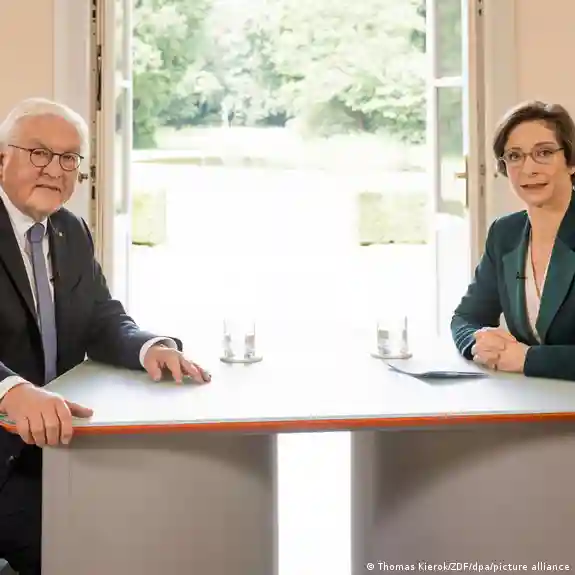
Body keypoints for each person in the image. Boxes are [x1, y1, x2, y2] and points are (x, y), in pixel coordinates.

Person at [0, 97, 211, 574]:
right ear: (2, 159)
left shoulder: (70, 230)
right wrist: (10, 390)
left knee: (151, 521)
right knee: (86, 554)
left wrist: (149, 346)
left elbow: (100, 317)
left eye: (69, 158)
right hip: (8, 455)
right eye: (39, 153)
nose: (55, 169)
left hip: (60, 443)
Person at [451, 100, 575, 381]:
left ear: (570, 162)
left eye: (544, 153)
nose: (528, 168)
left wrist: (528, 359)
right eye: (515, 156)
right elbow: (467, 317)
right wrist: (478, 342)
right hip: (529, 397)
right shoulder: (505, 232)